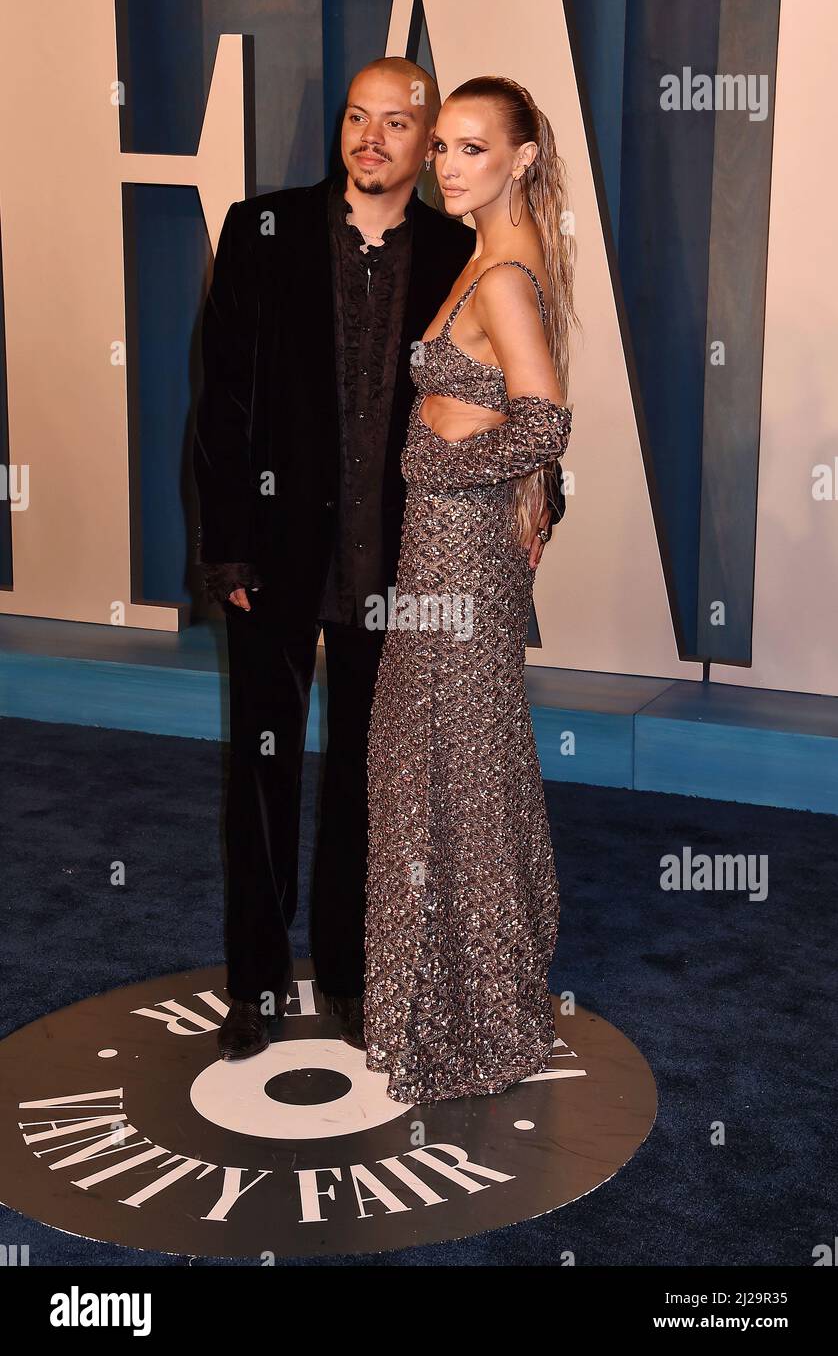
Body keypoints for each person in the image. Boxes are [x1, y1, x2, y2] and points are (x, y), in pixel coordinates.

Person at [193, 57, 562, 1061]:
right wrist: (223, 541)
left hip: (401, 564)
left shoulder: (460, 242)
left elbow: (517, 379)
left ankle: (357, 977)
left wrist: (538, 492)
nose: (372, 138)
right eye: (359, 118)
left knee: (374, 779)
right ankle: (255, 989)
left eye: (400, 124)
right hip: (273, 558)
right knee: (260, 777)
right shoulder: (260, 229)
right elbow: (221, 402)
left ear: (425, 138)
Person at [364, 75, 577, 1104]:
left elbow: (543, 424)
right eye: (440, 145)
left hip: (459, 561)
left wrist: (437, 470)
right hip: (439, 555)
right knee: (442, 768)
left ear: (521, 159)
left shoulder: (501, 279)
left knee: (447, 772)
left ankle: (473, 1018)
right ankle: (458, 1004)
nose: (446, 163)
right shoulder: (483, 257)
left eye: (471, 148)